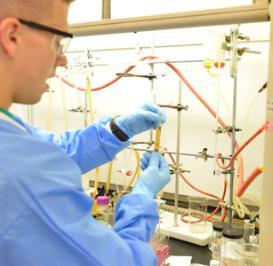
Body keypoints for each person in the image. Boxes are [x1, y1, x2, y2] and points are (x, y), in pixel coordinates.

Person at [0, 0, 171, 265]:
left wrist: (118, 130)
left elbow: (52, 151)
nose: (63, 59)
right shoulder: (21, 175)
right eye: (57, 41)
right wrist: (141, 200)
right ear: (11, 36)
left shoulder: (10, 131)